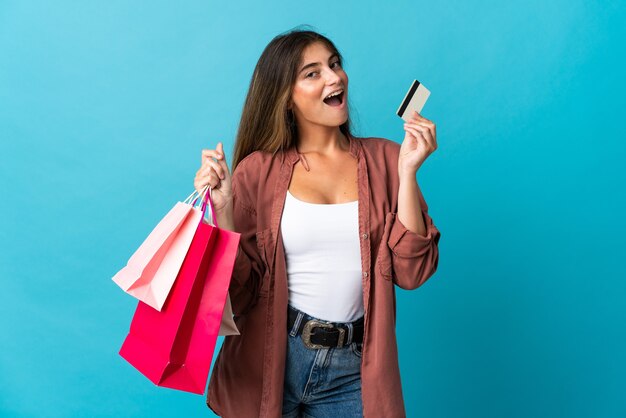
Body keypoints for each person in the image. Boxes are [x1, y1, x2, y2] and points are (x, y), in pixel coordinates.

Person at [194, 26, 441, 418]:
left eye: (335, 64)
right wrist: (222, 210)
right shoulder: (257, 171)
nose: (334, 77)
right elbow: (239, 295)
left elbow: (413, 272)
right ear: (286, 98)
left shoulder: (386, 160)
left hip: (355, 368)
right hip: (271, 360)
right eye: (312, 73)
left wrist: (408, 172)